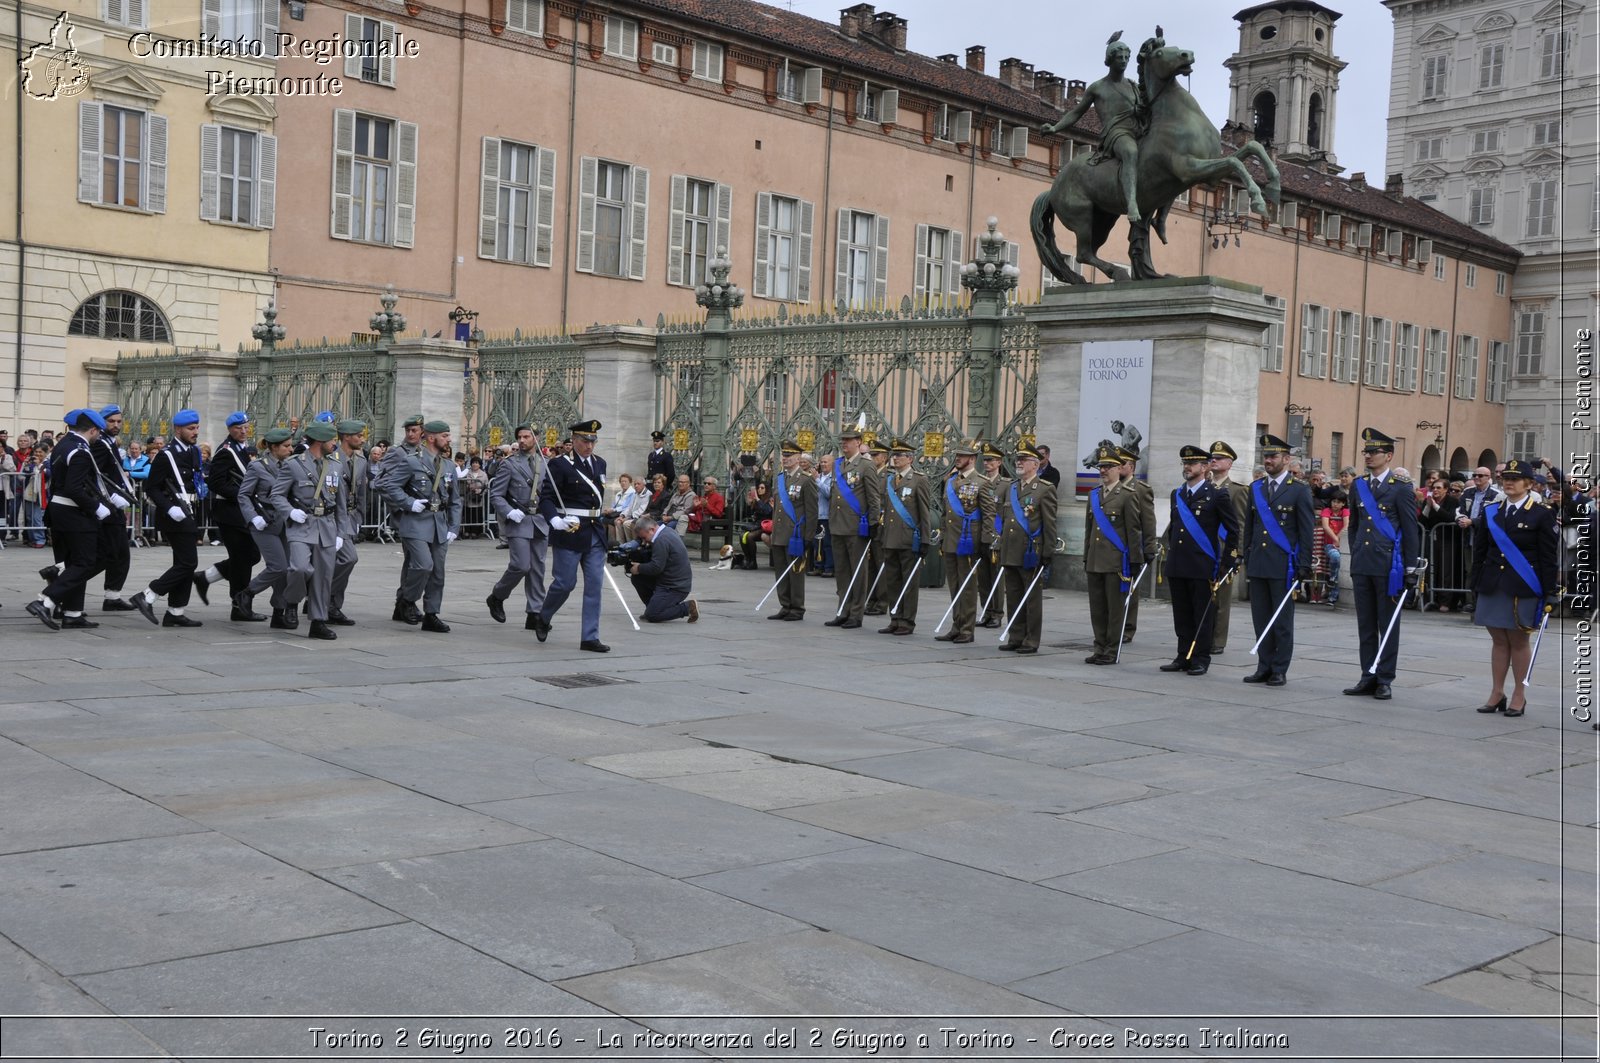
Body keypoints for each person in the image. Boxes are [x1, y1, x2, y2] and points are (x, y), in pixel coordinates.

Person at [1469, 460, 1559, 718]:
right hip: (1492, 583)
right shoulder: (1491, 511)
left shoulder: (1541, 513)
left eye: (1516, 479)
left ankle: (1519, 694)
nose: (1509, 482)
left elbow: (1548, 557)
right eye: (1506, 477)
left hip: (1523, 584)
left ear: (1529, 484)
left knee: (1519, 641)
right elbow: (1481, 551)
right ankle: (1497, 692)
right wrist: (1474, 583)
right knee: (1498, 640)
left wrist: (1550, 589)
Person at [1343, 428, 1422, 701]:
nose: (1368, 456)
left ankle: (1385, 678)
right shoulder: (1359, 485)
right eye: (1366, 451)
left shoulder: (1400, 488)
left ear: (1388, 456)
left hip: (1390, 566)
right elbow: (1354, 525)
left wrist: (1411, 568)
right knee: (1365, 624)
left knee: (1387, 625)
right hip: (1363, 564)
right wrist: (1354, 550)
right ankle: (1368, 674)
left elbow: (1411, 530)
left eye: (1373, 452)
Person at [1041, 30, 1146, 223]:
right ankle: (1131, 203)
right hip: (1116, 133)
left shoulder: (1133, 86)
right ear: (1110, 59)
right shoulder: (1098, 87)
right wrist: (1055, 128)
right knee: (1130, 152)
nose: (1123, 60)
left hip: (1138, 129)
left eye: (1126, 57)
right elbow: (1076, 112)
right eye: (1119, 57)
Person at [1159, 443, 1240, 676]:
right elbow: (1174, 528)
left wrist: (1227, 561)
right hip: (1178, 563)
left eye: (1192, 463)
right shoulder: (1178, 494)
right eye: (1185, 463)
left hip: (1202, 564)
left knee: (1202, 614)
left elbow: (1233, 530)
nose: (1187, 467)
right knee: (1182, 614)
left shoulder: (1217, 495)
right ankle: (1183, 655)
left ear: (1204, 467)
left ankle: (1201, 657)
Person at [26, 410, 111, 630]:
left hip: (59, 511)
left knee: (74, 562)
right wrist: (97, 507)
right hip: (75, 513)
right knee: (85, 562)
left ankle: (73, 613)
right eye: (97, 432)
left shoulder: (63, 445)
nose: (98, 436)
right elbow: (75, 488)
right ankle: (45, 601)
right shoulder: (81, 451)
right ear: (92, 430)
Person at [1240, 434, 1314, 685]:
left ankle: (1280, 668)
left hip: (1284, 564)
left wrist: (1305, 564)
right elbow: (1249, 527)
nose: (1268, 460)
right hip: (1259, 562)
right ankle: (1264, 665)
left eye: (1273, 456)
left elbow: (1306, 531)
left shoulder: (1299, 490)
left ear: (1286, 459)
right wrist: (1246, 555)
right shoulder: (1256, 488)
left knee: (1281, 620)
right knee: (1261, 618)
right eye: (1266, 456)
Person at [534, 418, 613, 651]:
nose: (589, 445)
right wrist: (555, 520)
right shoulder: (560, 465)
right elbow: (546, 497)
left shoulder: (600, 464)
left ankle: (590, 636)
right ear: (574, 440)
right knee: (565, 583)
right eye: (585, 440)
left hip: (595, 531)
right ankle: (544, 615)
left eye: (593, 441)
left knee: (594, 585)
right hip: (570, 530)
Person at [379, 419, 463, 633]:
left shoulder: (449, 465)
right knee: (423, 565)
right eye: (445, 436)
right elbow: (390, 486)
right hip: (416, 522)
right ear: (432, 437)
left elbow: (455, 500)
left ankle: (432, 614)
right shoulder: (411, 461)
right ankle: (407, 600)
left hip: (439, 525)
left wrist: (454, 527)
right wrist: (409, 503)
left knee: (438, 572)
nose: (449, 439)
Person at [272, 420, 346, 641]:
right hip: (301, 526)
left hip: (327, 527)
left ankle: (318, 622)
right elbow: (277, 495)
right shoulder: (294, 464)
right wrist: (289, 512)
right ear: (320, 440)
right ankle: (292, 601)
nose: (335, 443)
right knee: (300, 568)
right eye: (332, 439)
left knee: (324, 577)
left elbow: (341, 505)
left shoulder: (336, 465)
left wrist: (341, 533)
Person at [134, 408, 206, 627]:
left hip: (190, 510)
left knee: (184, 563)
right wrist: (169, 508)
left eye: (196, 428)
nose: (195, 432)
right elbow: (152, 488)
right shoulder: (167, 455)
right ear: (178, 429)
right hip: (174, 514)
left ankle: (175, 611)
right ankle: (148, 595)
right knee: (188, 562)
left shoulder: (193, 452)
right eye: (190, 429)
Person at [196, 411, 261, 614]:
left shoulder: (240, 448)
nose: (243, 431)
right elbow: (216, 482)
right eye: (238, 428)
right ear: (230, 430)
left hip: (240, 512)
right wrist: (243, 494)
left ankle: (206, 577)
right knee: (244, 557)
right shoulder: (226, 451)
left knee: (249, 556)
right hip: (230, 513)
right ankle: (239, 606)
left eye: (245, 427)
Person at [486, 423, 549, 630]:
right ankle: (497, 595)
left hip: (539, 522)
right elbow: (496, 494)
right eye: (519, 437)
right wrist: (508, 511)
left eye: (526, 437)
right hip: (518, 520)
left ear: (536, 439)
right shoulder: (509, 464)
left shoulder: (546, 464)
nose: (522, 441)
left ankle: (535, 612)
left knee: (537, 569)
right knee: (521, 565)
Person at [1083, 446, 1143, 664]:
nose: (1103, 470)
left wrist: (1135, 561)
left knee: (1115, 610)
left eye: (1108, 466)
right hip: (1095, 560)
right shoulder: (1094, 495)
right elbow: (1089, 531)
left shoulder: (1128, 496)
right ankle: (1099, 647)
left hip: (1117, 562)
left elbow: (1133, 531)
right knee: (1097, 609)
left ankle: (1110, 650)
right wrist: (1085, 557)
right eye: (1101, 466)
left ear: (1119, 468)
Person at [997, 444, 1056, 654]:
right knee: (1013, 596)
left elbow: (1049, 524)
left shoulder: (1044, 489)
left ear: (1036, 464)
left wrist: (1047, 552)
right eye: (1018, 459)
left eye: (1024, 459)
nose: (1019, 463)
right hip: (1010, 550)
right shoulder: (1011, 488)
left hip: (1031, 552)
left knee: (1031, 598)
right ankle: (1015, 635)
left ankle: (1031, 640)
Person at [824, 423, 884, 629]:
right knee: (841, 571)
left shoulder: (866, 466)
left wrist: (874, 522)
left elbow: (873, 497)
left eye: (848, 441)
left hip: (857, 526)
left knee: (858, 572)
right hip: (838, 525)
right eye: (843, 440)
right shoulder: (838, 465)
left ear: (858, 442)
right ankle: (843, 609)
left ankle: (856, 613)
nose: (844, 444)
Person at [236, 428, 295, 628]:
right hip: (265, 522)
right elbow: (243, 495)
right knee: (277, 566)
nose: (290, 449)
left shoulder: (291, 465)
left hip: (286, 522)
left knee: (287, 570)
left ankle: (279, 613)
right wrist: (252, 518)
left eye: (290, 445)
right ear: (273, 447)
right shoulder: (258, 467)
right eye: (286, 446)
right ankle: (246, 594)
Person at [878, 439, 933, 636]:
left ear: (910, 458)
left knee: (908, 583)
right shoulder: (890, 480)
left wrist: (925, 539)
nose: (895, 458)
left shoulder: (919, 480)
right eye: (894, 455)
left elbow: (924, 513)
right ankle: (895, 617)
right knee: (892, 581)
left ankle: (907, 621)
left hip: (910, 539)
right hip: (890, 538)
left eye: (899, 455)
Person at [937, 439, 984, 644]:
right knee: (955, 586)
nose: (957, 458)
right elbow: (945, 513)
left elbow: (988, 516)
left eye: (962, 456)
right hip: (950, 540)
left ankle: (967, 629)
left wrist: (985, 542)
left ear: (972, 459)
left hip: (968, 542)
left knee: (968, 587)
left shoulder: (981, 482)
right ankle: (956, 625)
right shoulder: (950, 481)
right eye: (957, 455)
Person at [1207, 440, 1251, 653]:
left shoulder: (1237, 490)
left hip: (1223, 550)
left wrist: (1237, 554)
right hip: (1203, 549)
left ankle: (1217, 641)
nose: (1214, 461)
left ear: (1230, 463)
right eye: (1212, 458)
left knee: (1221, 600)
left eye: (1220, 458)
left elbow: (1240, 525)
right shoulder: (1203, 487)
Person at [767, 441, 817, 621]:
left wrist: (808, 536)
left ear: (798, 458)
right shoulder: (781, 477)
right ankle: (785, 605)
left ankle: (797, 608)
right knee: (780, 570)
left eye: (789, 456)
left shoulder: (806, 479)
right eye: (784, 455)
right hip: (780, 532)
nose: (785, 459)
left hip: (796, 534)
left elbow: (812, 511)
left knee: (795, 571)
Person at [326, 419, 368, 625]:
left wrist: (359, 517)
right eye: (358, 435)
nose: (362, 439)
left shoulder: (361, 461)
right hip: (330, 518)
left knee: (343, 560)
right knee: (347, 559)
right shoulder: (330, 459)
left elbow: (361, 493)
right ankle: (325, 600)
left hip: (349, 518)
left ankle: (330, 602)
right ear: (346, 437)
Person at [389, 413, 427, 624]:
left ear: (423, 432)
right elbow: (384, 483)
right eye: (408, 430)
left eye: (414, 430)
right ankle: (406, 602)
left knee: (415, 561)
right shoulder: (397, 453)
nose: (411, 434)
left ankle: (403, 603)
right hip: (408, 516)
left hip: (425, 517)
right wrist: (403, 506)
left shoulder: (424, 453)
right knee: (415, 561)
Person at [1117, 445, 1156, 644]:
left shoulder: (1141, 490)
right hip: (1113, 549)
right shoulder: (1110, 489)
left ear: (1131, 466)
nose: (1116, 468)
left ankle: (1127, 628)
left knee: (1129, 591)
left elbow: (1148, 522)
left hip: (1131, 549)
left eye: (1120, 464)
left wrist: (1149, 548)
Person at [627, 514, 698, 623]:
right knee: (638, 579)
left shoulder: (661, 540)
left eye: (644, 537)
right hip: (671, 581)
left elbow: (656, 567)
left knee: (653, 615)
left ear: (651, 529)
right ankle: (654, 606)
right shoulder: (668, 531)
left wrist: (639, 568)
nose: (644, 541)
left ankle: (687, 607)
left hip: (675, 587)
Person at [976, 442, 1010, 628]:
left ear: (999, 463)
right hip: (980, 535)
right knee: (983, 577)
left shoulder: (1005, 485)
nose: (987, 463)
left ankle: (997, 613)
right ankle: (986, 611)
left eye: (991, 460)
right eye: (985, 459)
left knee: (996, 577)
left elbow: (1007, 514)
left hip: (996, 536)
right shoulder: (979, 481)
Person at [1419, 478, 1464, 612]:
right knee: (1430, 569)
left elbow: (1450, 518)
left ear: (1445, 489)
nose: (1436, 490)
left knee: (1446, 570)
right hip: (1432, 538)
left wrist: (1436, 507)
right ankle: (1430, 599)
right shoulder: (1428, 501)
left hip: (1447, 539)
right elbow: (1422, 520)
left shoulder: (1453, 502)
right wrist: (1427, 506)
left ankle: (1446, 601)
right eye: (1434, 488)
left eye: (1439, 488)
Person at [865, 439, 893, 616]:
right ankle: (871, 598)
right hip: (867, 524)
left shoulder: (888, 477)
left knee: (881, 564)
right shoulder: (869, 473)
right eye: (871, 454)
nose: (872, 457)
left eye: (875, 455)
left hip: (881, 526)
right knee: (870, 565)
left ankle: (882, 601)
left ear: (884, 457)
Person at [1318, 491, 1349, 605]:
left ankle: (1332, 585)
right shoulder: (1327, 511)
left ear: (1343, 503)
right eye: (1333, 501)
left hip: (1344, 546)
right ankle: (1333, 584)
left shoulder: (1345, 511)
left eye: (1338, 502)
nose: (1335, 504)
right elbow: (1325, 526)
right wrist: (1335, 540)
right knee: (1335, 557)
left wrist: (1338, 538)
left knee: (1338, 564)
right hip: (1329, 544)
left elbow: (1346, 525)